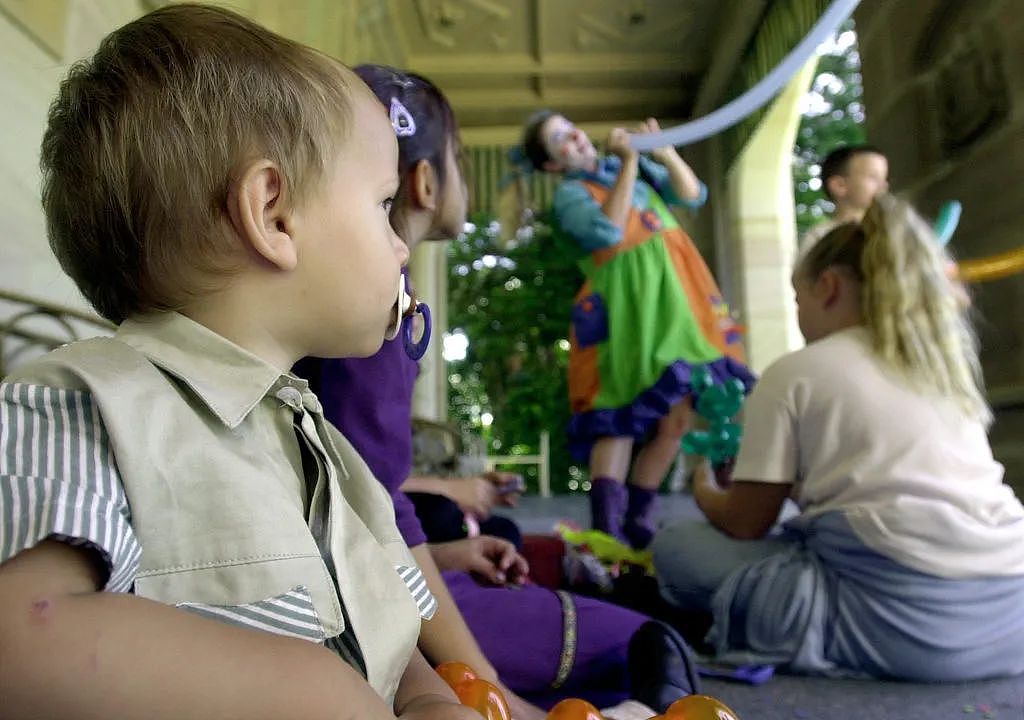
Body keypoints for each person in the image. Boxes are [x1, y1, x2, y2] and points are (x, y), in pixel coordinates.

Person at [0, 7, 483, 720]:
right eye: (383, 206)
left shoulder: (334, 458)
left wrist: (430, 700)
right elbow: (21, 637)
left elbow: (392, 634)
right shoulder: (92, 405)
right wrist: (313, 688)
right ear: (274, 214)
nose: (401, 246)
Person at [295, 65, 700, 719]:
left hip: (363, 581)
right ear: (426, 182)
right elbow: (374, 518)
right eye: (457, 157)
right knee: (646, 640)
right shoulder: (370, 318)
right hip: (352, 605)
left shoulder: (370, 306)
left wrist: (447, 552)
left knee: (498, 546)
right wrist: (490, 689)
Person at [651, 195, 1024, 681]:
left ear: (827, 288)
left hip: (918, 633)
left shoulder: (794, 372)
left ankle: (815, 631)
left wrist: (705, 489)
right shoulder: (940, 370)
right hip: (1009, 615)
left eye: (797, 299)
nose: (799, 314)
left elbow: (746, 524)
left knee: (676, 545)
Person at [519, 111, 753, 549]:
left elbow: (692, 194)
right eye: (559, 139)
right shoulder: (570, 195)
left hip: (675, 299)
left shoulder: (636, 170)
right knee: (618, 415)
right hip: (624, 309)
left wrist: (664, 153)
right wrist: (628, 163)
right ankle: (606, 528)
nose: (574, 133)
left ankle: (641, 519)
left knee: (676, 416)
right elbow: (608, 229)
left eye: (572, 126)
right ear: (552, 164)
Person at [800, 144, 889, 252]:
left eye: (884, 178)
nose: (883, 185)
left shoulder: (888, 233)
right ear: (839, 185)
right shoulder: (820, 236)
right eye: (873, 177)